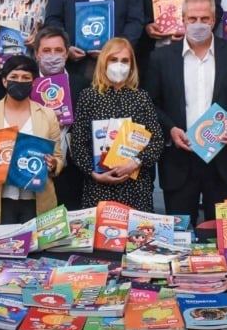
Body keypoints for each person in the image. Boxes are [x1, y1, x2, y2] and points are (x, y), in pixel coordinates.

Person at [144, 0, 227, 224]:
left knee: (223, 238)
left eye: (204, 19)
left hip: (223, 161)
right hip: (179, 160)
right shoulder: (161, 58)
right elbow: (150, 103)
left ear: (214, 19)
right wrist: (170, 130)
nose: (199, 24)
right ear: (183, 19)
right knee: (179, 237)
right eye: (193, 19)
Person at [68, 37, 164, 211]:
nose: (119, 65)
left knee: (137, 237)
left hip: (136, 189)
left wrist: (135, 162)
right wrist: (94, 173)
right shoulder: (89, 97)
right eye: (113, 59)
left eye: (125, 61)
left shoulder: (141, 97)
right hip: (99, 189)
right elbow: (78, 143)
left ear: (132, 65)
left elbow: (156, 141)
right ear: (103, 62)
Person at [0, 55, 63, 225]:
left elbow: (58, 158)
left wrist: (53, 164)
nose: (19, 81)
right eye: (14, 77)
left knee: (35, 250)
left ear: (33, 82)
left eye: (25, 78)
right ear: (4, 81)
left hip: (36, 200)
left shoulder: (48, 115)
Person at [33, 25, 88, 212]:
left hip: (74, 173)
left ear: (66, 54)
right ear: (36, 54)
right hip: (35, 171)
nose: (52, 55)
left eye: (58, 50)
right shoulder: (26, 84)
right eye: (46, 50)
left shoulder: (83, 85)